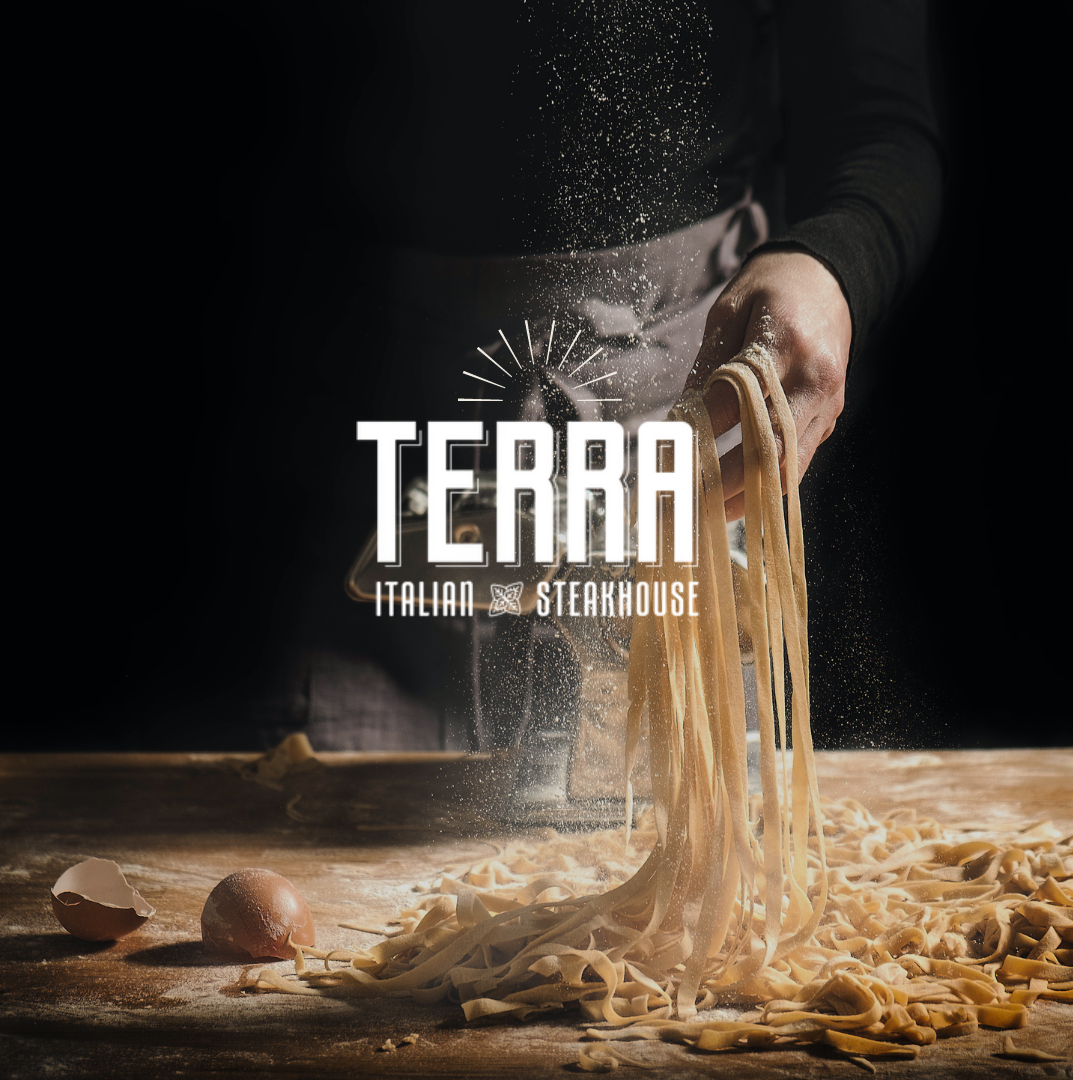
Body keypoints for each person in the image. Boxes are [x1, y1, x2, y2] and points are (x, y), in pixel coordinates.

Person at [259, 0, 945, 751]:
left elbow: (877, 127)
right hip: (366, 405)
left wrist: (832, 262)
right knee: (332, 846)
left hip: (675, 379)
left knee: (687, 834)